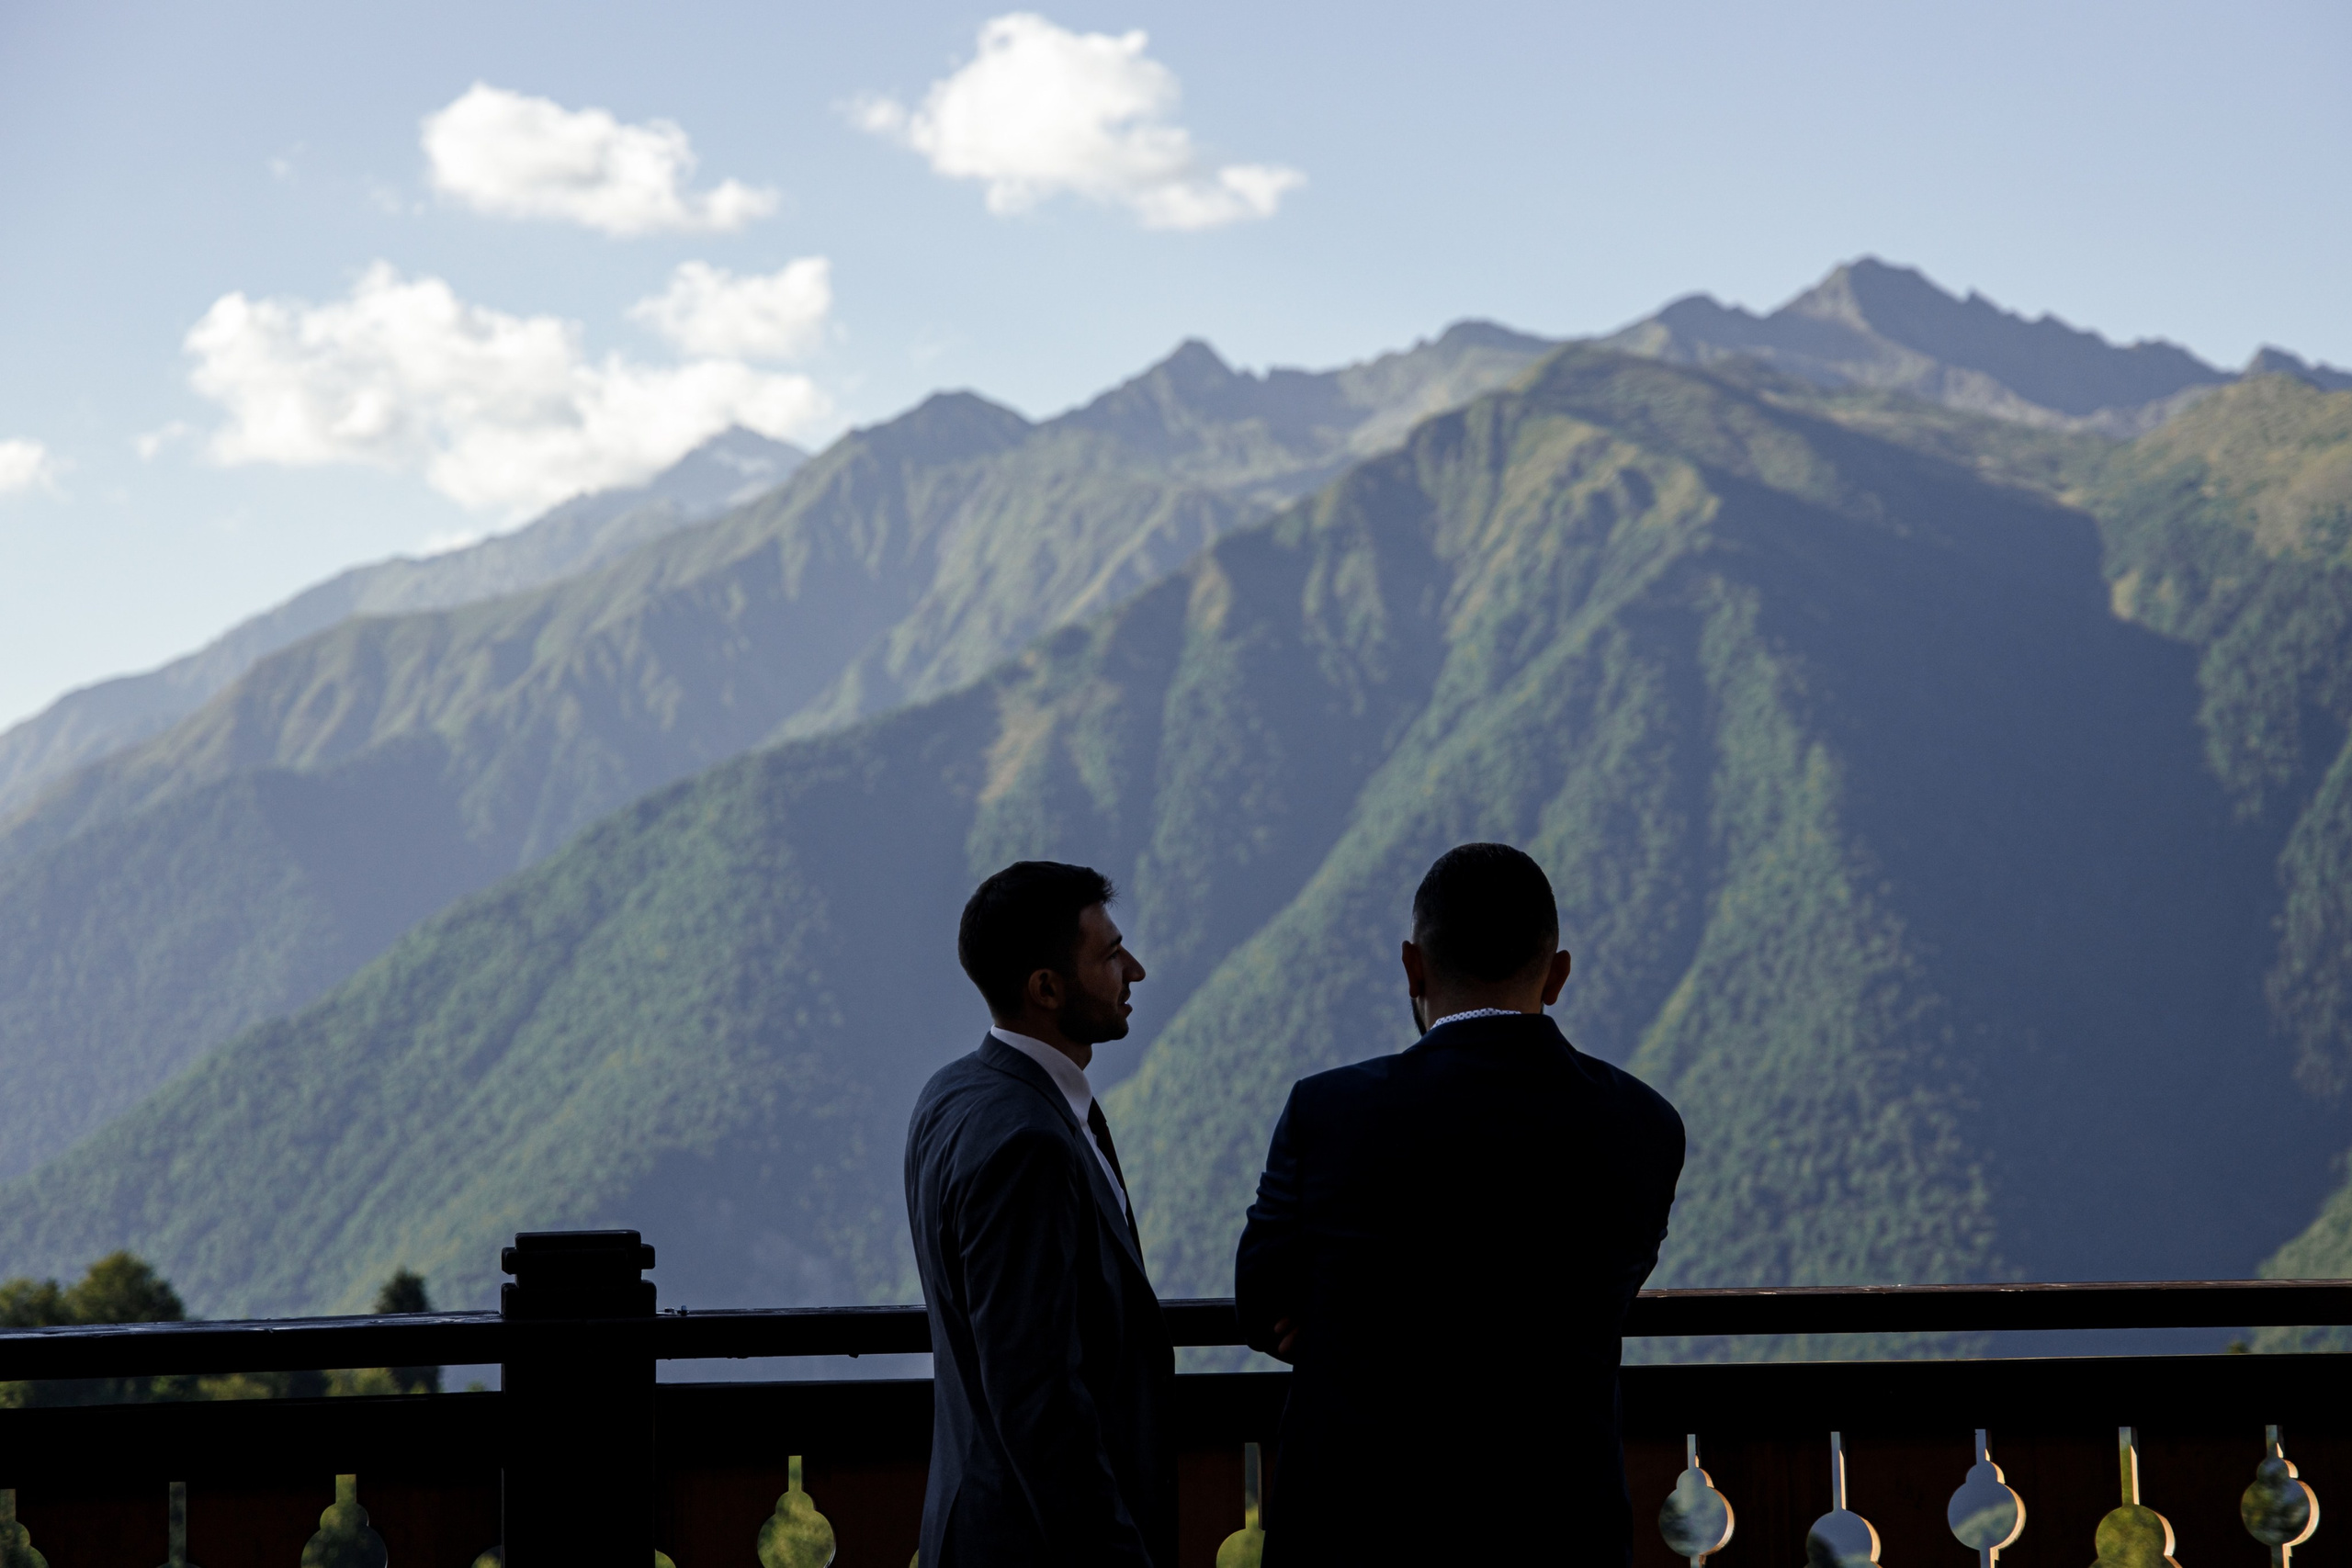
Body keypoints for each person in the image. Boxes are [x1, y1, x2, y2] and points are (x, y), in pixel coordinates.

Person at [1235, 842, 1686, 1568]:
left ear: (1413, 965)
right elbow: (1613, 1285)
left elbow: (1260, 1299)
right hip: (1559, 1529)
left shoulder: (1329, 1112)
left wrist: (1345, 1321)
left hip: (1357, 1529)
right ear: (1559, 973)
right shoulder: (1644, 1125)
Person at [905, 861, 1175, 1568]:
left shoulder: (953, 1092)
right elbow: (1038, 1398)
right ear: (1047, 987)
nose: (1135, 970)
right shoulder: (1029, 1140)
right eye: (1111, 954)